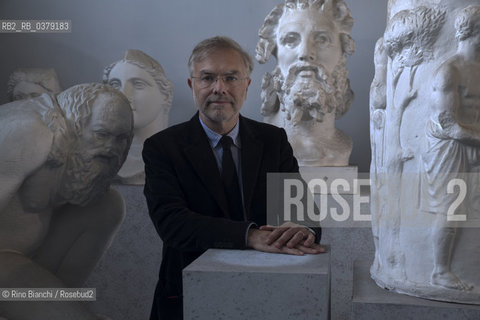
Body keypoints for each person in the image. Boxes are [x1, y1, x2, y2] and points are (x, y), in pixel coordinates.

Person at [143, 36, 324, 320]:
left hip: (269, 295)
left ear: (247, 85)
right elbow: (172, 223)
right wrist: (248, 235)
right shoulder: (162, 148)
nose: (220, 88)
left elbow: (302, 210)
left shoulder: (272, 140)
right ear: (192, 85)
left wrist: (303, 229)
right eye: (207, 78)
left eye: (231, 77)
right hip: (189, 298)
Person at [0, 83, 133, 319]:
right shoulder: (30, 133)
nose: (112, 148)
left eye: (121, 138)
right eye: (102, 134)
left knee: (108, 205)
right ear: (76, 126)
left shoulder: (76, 153)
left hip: (25, 259)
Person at [422, 4, 480, 291]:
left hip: (471, 139)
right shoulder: (449, 71)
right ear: (474, 31)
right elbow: (449, 125)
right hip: (448, 146)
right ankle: (440, 271)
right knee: (451, 208)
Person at [255, 0, 355, 166]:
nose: (305, 53)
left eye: (322, 39)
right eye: (291, 40)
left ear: (342, 52)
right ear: (274, 52)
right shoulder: (262, 144)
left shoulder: (343, 147)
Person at [104, 49, 174, 185]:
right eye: (115, 85)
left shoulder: (177, 158)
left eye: (138, 84)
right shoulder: (104, 158)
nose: (123, 95)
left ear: (166, 95)